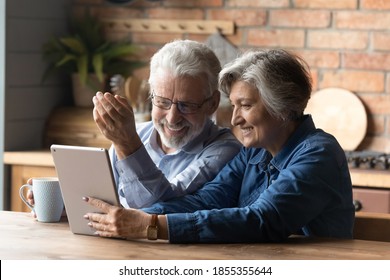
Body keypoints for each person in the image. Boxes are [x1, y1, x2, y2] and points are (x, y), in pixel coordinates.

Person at [84, 49, 355, 243]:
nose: (235, 119)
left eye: (246, 106)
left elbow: (261, 220)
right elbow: (204, 201)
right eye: (234, 105)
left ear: (282, 107)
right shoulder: (254, 153)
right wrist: (130, 217)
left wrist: (150, 225)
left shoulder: (319, 153)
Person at [26, 40, 241, 210]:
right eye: (162, 102)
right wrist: (65, 203)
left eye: (186, 105)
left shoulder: (226, 150)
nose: (173, 117)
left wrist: (127, 143)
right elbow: (104, 201)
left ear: (212, 103)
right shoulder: (136, 133)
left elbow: (160, 208)